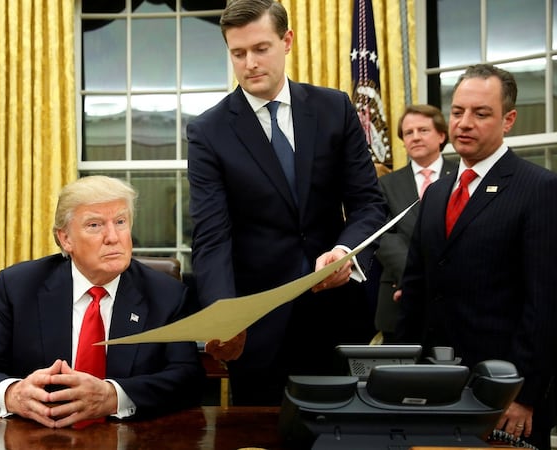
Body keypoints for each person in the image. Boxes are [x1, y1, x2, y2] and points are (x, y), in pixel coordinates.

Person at [186, 0, 387, 406]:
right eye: (238, 53)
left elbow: (368, 204)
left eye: (261, 48)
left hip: (338, 319)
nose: (249, 64)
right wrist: (225, 318)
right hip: (257, 332)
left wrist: (346, 251)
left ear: (287, 41)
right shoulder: (208, 130)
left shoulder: (335, 108)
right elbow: (212, 236)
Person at [0, 175, 205, 428]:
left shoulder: (166, 294)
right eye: (95, 225)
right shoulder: (21, 286)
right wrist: (13, 394)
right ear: (65, 239)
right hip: (41, 440)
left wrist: (113, 397)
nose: (113, 237)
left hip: (131, 439)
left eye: (120, 222)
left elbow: (188, 379)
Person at [396, 64, 557, 450]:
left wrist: (523, 395)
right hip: (433, 387)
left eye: (481, 113)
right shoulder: (437, 192)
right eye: (457, 111)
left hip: (502, 396)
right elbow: (416, 288)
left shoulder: (540, 189)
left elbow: (545, 305)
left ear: (509, 120)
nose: (464, 123)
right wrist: (399, 375)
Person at [373, 105, 457, 343]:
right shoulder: (385, 184)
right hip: (399, 298)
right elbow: (384, 235)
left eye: (423, 130)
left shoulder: (463, 176)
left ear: (441, 136)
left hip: (454, 297)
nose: (416, 137)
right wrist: (415, 279)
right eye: (408, 132)